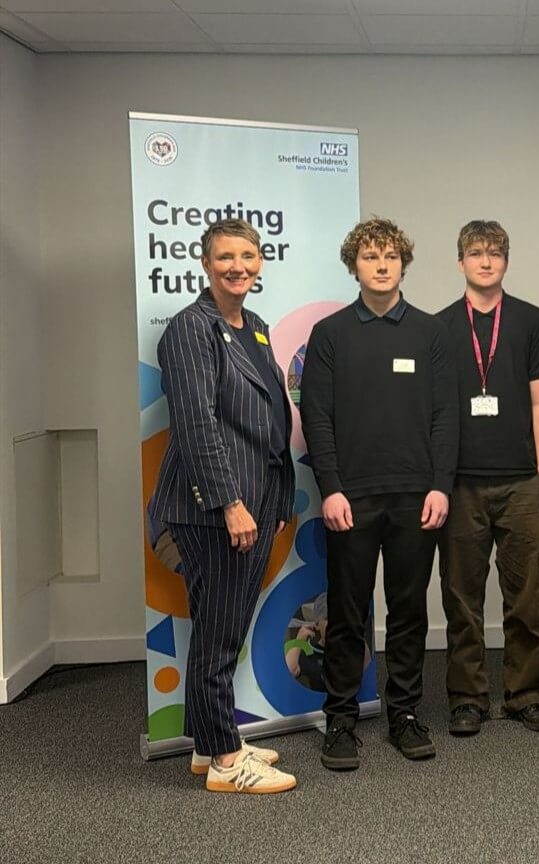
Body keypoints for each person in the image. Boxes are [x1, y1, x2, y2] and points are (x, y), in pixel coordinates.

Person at [300, 218, 458, 770]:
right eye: (371, 257)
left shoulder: (431, 333)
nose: (382, 264)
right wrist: (332, 489)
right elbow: (315, 417)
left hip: (417, 498)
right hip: (353, 499)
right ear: (355, 266)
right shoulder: (331, 334)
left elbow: (445, 418)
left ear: (404, 263)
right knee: (346, 614)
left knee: (410, 611)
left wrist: (441, 484)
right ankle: (340, 720)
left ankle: (405, 715)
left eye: (391, 256)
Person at [149, 218, 297, 794]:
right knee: (218, 633)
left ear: (259, 262)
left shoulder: (253, 327)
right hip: (214, 509)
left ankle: (211, 741)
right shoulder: (191, 328)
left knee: (222, 627)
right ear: (206, 265)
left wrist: (275, 496)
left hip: (256, 500)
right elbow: (194, 423)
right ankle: (226, 766)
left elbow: (270, 418)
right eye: (226, 257)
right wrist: (230, 502)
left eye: (248, 255)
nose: (238, 265)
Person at [436, 220, 539, 736]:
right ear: (460, 261)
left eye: (495, 253)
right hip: (460, 482)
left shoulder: (530, 321)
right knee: (461, 598)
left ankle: (525, 693)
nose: (486, 261)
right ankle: (468, 698)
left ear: (507, 261)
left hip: (519, 481)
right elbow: (431, 409)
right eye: (476, 253)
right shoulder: (438, 327)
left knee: (526, 597)